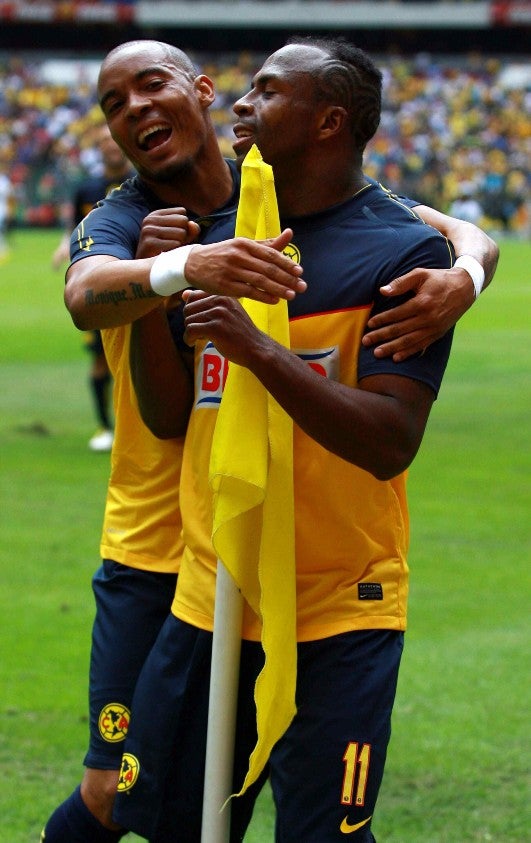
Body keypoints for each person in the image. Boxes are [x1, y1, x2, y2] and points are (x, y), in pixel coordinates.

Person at [42, 38, 497, 843]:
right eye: (112, 105)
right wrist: (170, 271)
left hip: (312, 578)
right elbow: (94, 308)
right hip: (170, 559)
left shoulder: (302, 221)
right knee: (130, 800)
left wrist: (466, 273)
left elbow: (440, 233)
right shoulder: (137, 222)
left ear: (201, 94)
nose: (133, 111)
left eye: (152, 86)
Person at [52, 124, 134, 452]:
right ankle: (104, 426)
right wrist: (63, 245)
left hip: (143, 282)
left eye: (115, 139)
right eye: (104, 141)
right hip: (103, 286)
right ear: (98, 149)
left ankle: (140, 428)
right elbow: (76, 227)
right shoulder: (87, 189)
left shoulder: (146, 181)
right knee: (101, 361)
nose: (111, 147)